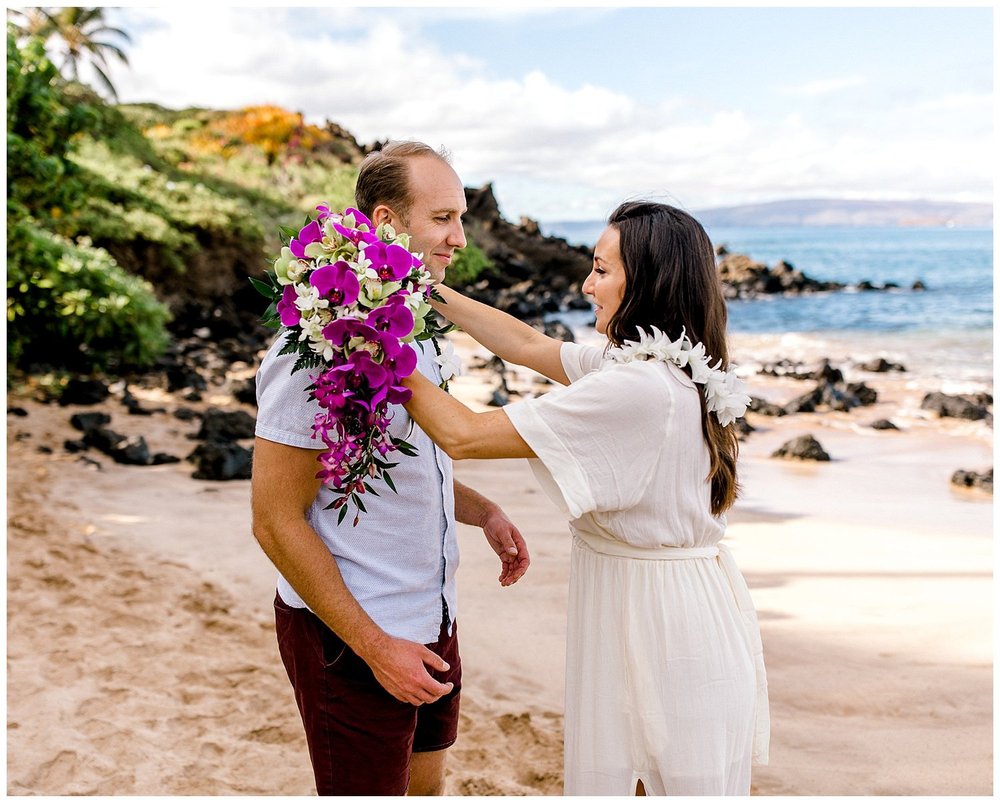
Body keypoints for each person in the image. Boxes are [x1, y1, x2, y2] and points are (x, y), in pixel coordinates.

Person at [401, 201, 769, 796]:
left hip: (660, 623)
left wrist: (369, 338)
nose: (585, 284)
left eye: (601, 270)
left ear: (646, 281)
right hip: (667, 605)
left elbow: (463, 435)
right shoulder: (657, 367)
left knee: (653, 778)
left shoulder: (639, 388)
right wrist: (414, 286)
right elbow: (524, 343)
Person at [250, 140, 531, 796]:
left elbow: (404, 459)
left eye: (460, 218)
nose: (459, 238)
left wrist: (482, 511)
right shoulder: (313, 350)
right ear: (385, 222)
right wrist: (376, 647)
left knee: (426, 786)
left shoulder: (415, 329)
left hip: (433, 614)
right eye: (442, 218)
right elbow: (273, 519)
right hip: (353, 637)